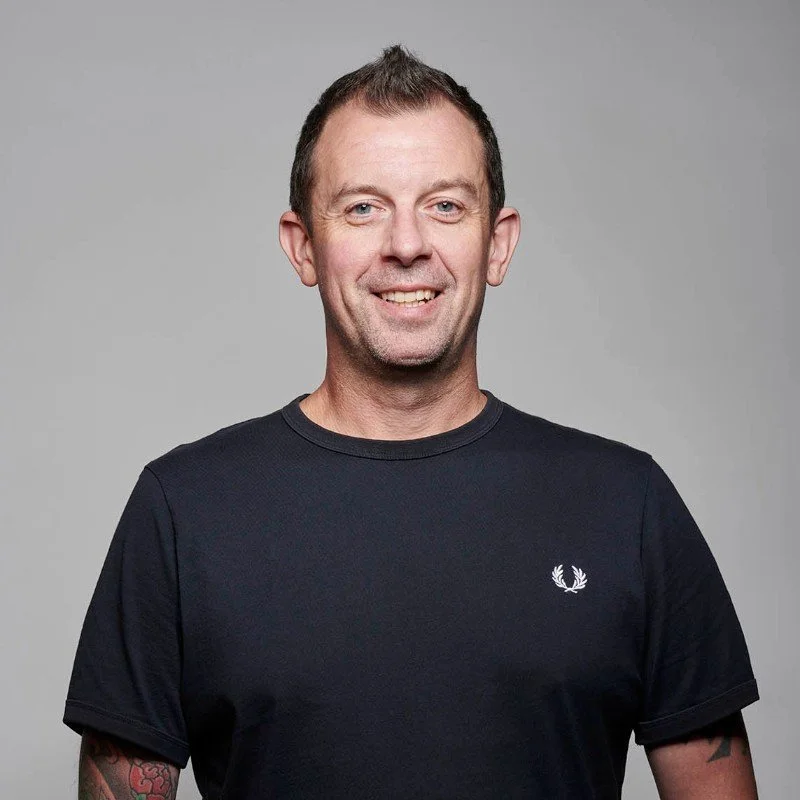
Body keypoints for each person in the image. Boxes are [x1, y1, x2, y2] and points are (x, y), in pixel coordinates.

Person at [65, 45, 759, 799]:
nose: (406, 245)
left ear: (497, 244)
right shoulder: (183, 512)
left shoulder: (627, 504)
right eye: (363, 207)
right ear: (304, 247)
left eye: (445, 206)